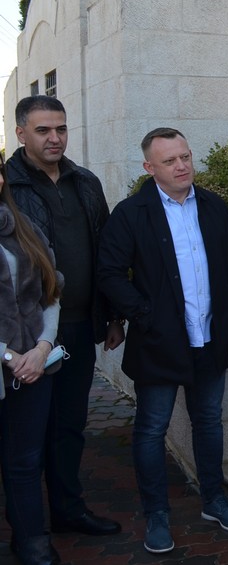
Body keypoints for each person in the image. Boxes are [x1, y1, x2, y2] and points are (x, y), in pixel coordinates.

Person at [97, 127, 228, 553]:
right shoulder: (131, 213)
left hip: (209, 337)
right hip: (158, 343)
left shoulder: (213, 205)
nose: (182, 166)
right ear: (150, 167)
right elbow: (110, 273)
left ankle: (214, 500)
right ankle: (157, 515)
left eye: (185, 156)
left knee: (209, 422)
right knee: (151, 429)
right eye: (170, 161)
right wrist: (146, 316)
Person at [6, 95, 124, 537]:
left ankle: (68, 510)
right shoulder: (9, 186)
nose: (54, 138)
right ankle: (27, 528)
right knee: (25, 438)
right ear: (21, 134)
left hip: (76, 326)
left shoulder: (85, 181)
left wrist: (113, 316)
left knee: (70, 426)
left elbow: (107, 253)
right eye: (43, 130)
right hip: (25, 336)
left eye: (61, 129)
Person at [0, 152, 63, 565]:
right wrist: (8, 355)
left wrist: (41, 348)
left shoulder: (23, 227)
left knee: (25, 460)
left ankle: (30, 540)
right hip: (10, 362)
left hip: (33, 367)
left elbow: (51, 292)